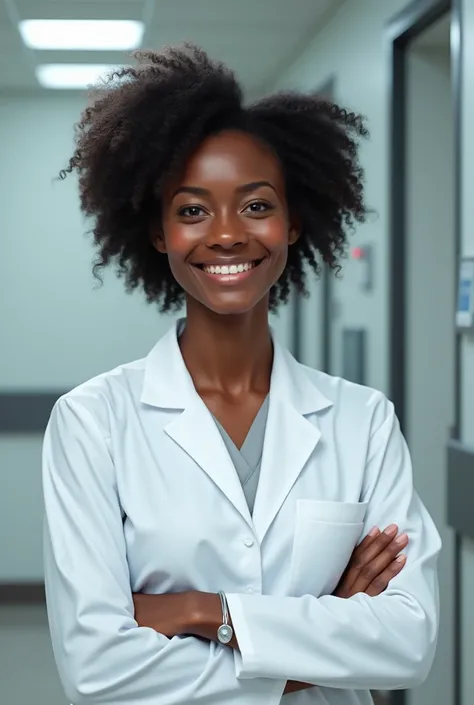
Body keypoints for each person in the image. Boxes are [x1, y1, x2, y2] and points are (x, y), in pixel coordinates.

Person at [42, 44, 441, 705]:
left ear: (293, 221)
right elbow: (96, 666)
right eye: (193, 209)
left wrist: (204, 611)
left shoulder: (362, 420)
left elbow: (409, 640)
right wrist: (327, 628)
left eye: (256, 205)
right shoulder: (94, 421)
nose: (226, 234)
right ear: (159, 231)